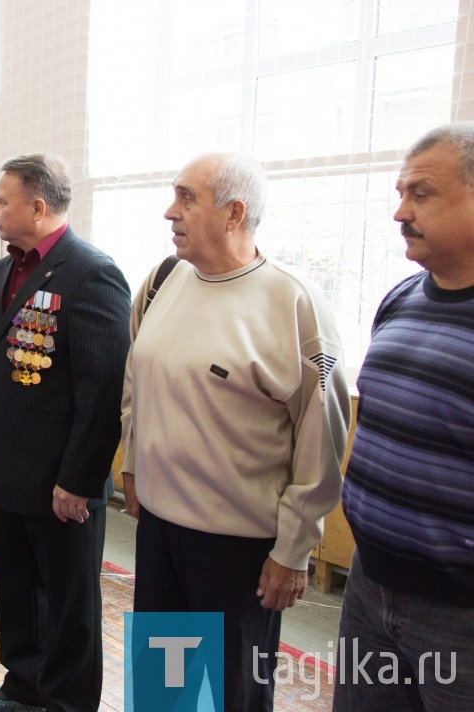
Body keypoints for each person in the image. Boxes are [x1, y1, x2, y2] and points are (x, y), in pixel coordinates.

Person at [119, 152, 351, 712]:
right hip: (160, 536)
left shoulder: (294, 303)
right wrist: (131, 467)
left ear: (234, 212)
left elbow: (323, 432)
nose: (169, 211)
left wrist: (295, 549)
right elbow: (136, 377)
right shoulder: (162, 281)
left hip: (238, 553)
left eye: (186, 197)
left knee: (236, 696)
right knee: (162, 689)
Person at [0, 153, 131, 712]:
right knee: (16, 591)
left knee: (68, 604)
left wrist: (79, 479)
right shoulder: (4, 268)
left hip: (60, 478)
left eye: (1, 201)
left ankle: (66, 703)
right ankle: (23, 687)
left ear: (37, 205)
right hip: (8, 467)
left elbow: (102, 391)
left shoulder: (91, 272)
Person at [333, 124, 474, 710]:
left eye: (421, 194)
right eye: (399, 193)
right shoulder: (401, 297)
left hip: (459, 614)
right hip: (370, 585)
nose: (400, 212)